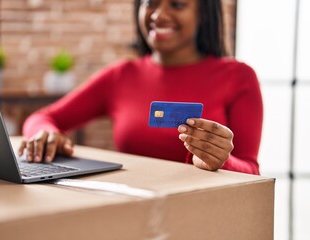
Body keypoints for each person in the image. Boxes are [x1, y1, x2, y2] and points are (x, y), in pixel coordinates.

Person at [19, 0, 263, 175]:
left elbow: (251, 169)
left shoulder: (239, 77)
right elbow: (42, 117)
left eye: (177, 5)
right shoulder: (121, 76)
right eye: (150, 3)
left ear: (203, 14)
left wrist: (222, 161)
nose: (158, 15)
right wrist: (45, 134)